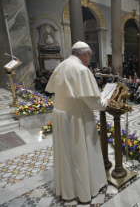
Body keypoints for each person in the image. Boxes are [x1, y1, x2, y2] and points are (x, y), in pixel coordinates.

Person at [45, 41, 110, 202]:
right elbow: (94, 103)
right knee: (80, 152)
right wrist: (106, 101)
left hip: (61, 115)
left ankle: (68, 188)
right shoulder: (81, 69)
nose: (89, 60)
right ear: (84, 54)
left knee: (67, 154)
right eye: (90, 56)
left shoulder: (62, 65)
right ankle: (84, 190)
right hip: (76, 119)